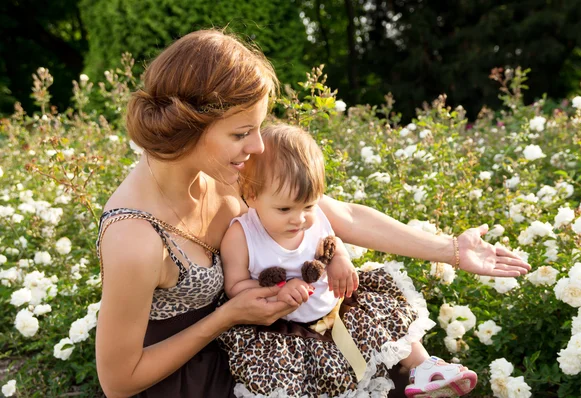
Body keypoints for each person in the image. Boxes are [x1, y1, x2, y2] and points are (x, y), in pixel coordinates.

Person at [95, 29, 531, 398]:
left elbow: (346, 217)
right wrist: (227, 316)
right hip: (189, 381)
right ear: (188, 125)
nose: (258, 148)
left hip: (259, 345)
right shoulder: (135, 237)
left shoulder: (224, 170)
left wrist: (451, 250)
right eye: (242, 133)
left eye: (258, 130)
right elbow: (118, 381)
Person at [218, 124, 478, 397]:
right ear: (252, 195)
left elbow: (330, 243)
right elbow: (235, 287)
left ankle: (425, 368)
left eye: (308, 205)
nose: (300, 219)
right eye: (284, 209)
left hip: (336, 306)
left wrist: (339, 258)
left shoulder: (314, 217)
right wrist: (278, 291)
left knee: (380, 320)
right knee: (311, 381)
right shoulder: (241, 235)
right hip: (284, 330)